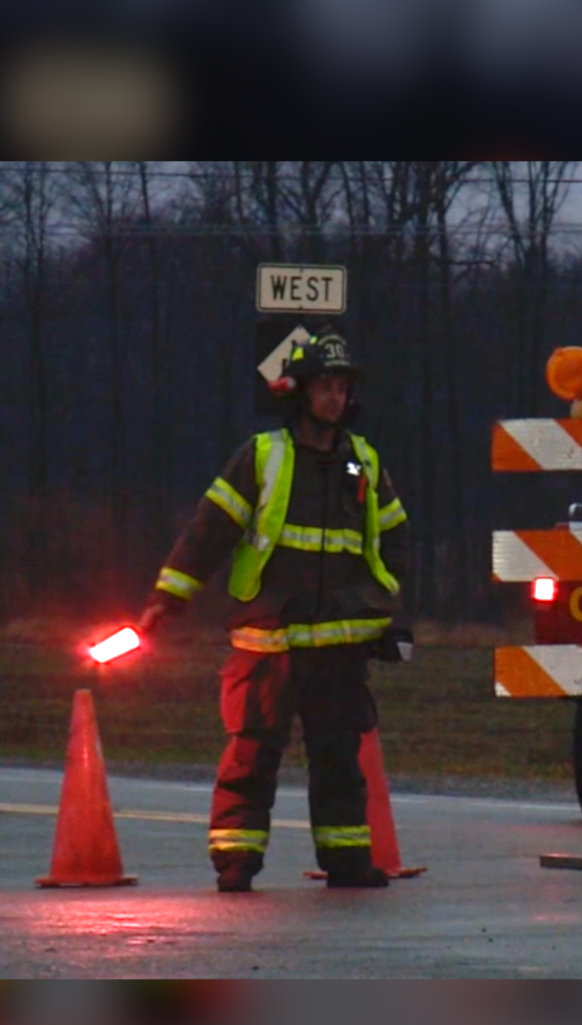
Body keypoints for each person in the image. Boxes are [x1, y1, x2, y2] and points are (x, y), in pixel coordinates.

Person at [137, 328, 409, 892]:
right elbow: (208, 532)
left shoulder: (362, 462)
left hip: (337, 645)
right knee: (252, 754)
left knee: (339, 757)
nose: (334, 397)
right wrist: (168, 599)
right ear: (299, 393)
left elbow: (391, 544)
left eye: (341, 387)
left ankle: (347, 861)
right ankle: (235, 862)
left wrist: (391, 616)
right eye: (323, 386)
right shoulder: (263, 456)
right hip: (268, 642)